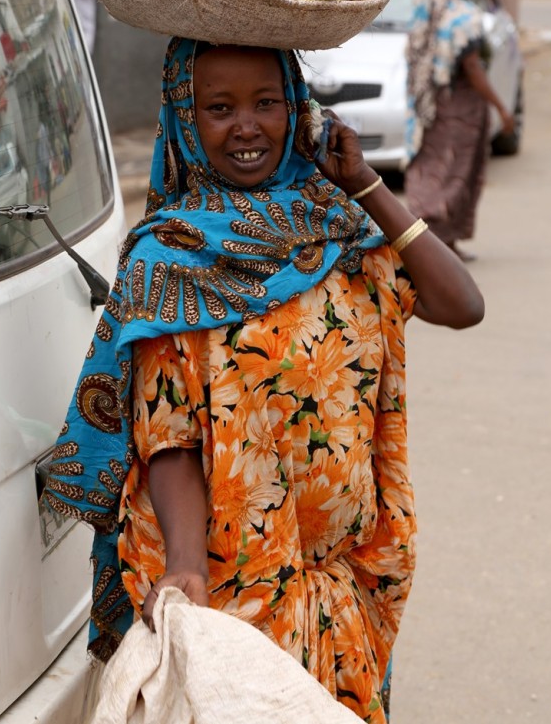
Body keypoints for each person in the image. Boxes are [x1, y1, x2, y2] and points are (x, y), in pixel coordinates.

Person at [42, 37, 484, 724]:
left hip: (342, 592)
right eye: (219, 108)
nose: (246, 126)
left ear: (297, 109)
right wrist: (185, 567)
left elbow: (462, 304)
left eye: (267, 103)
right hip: (237, 598)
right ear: (185, 118)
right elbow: (168, 435)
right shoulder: (170, 259)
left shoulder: (340, 228)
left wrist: (365, 185)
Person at [404, 0, 515, 262]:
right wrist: (501, 108)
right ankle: (436, 246)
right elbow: (472, 67)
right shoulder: (463, 13)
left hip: (430, 104)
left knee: (432, 168)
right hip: (460, 108)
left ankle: (440, 245)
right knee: (456, 172)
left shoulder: (425, 6)